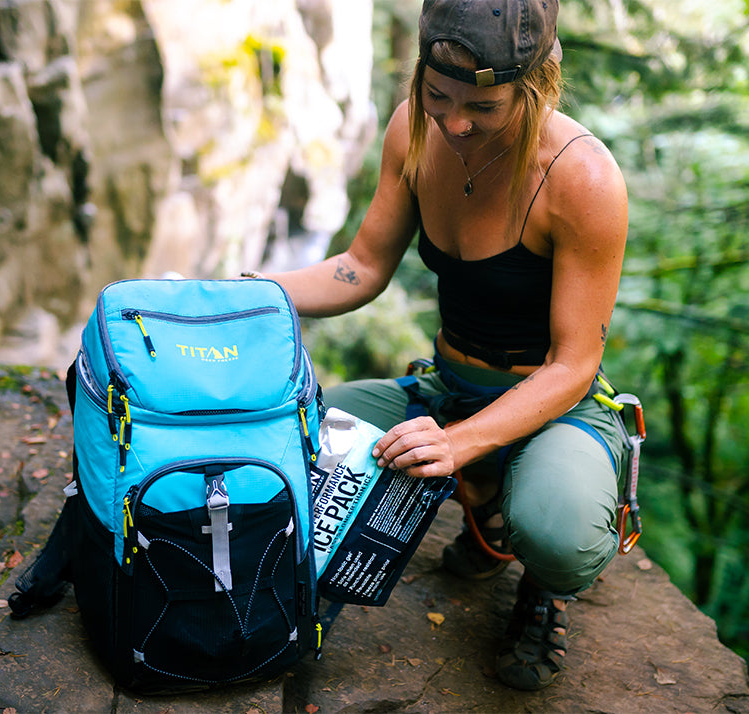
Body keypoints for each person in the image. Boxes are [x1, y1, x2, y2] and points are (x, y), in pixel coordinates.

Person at [245, 0, 629, 691]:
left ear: (537, 85)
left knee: (561, 536)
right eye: (437, 96)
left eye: (483, 107)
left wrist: (458, 445)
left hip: (553, 407)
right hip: (443, 388)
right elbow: (361, 268)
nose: (454, 123)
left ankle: (540, 579)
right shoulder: (413, 129)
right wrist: (247, 292)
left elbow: (575, 364)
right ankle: (485, 509)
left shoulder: (582, 178)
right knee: (287, 448)